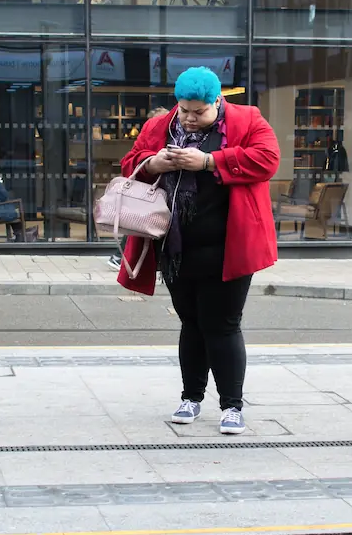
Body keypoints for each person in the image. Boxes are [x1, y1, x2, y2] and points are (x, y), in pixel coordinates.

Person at [117, 67, 280, 435]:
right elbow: (131, 163)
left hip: (229, 246)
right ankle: (191, 398)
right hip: (175, 247)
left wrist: (208, 162)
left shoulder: (247, 119)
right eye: (184, 110)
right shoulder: (161, 125)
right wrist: (153, 163)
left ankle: (232, 406)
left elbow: (267, 160)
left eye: (199, 112)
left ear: (217, 102)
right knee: (191, 324)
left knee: (221, 325)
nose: (189, 119)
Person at [108, 106, 170, 270]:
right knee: (139, 224)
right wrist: (151, 164)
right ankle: (119, 256)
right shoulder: (152, 134)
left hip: (153, 192)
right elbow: (131, 160)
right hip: (150, 191)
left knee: (138, 223)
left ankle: (119, 256)